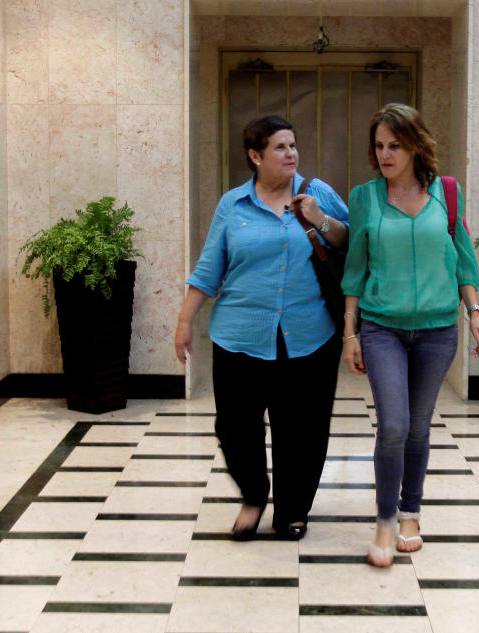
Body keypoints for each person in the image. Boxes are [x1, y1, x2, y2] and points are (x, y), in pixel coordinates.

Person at [174, 115, 349, 541]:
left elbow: (352, 242)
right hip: (240, 335)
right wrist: (185, 319)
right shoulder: (233, 205)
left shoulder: (317, 192)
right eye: (280, 148)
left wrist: (319, 219)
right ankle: (253, 495)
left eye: (293, 145)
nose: (291, 154)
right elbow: (210, 266)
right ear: (255, 156)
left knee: (303, 430)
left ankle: (292, 510)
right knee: (234, 428)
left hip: (309, 335)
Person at [341, 104, 479, 567]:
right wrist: (350, 334)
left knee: (419, 427)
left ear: (415, 146)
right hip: (382, 326)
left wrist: (475, 312)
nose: (385, 154)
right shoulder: (365, 197)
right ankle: (385, 521)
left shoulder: (447, 193)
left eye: (395, 145)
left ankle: (411, 512)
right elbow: (355, 268)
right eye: (379, 145)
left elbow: (463, 257)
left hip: (437, 331)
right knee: (393, 425)